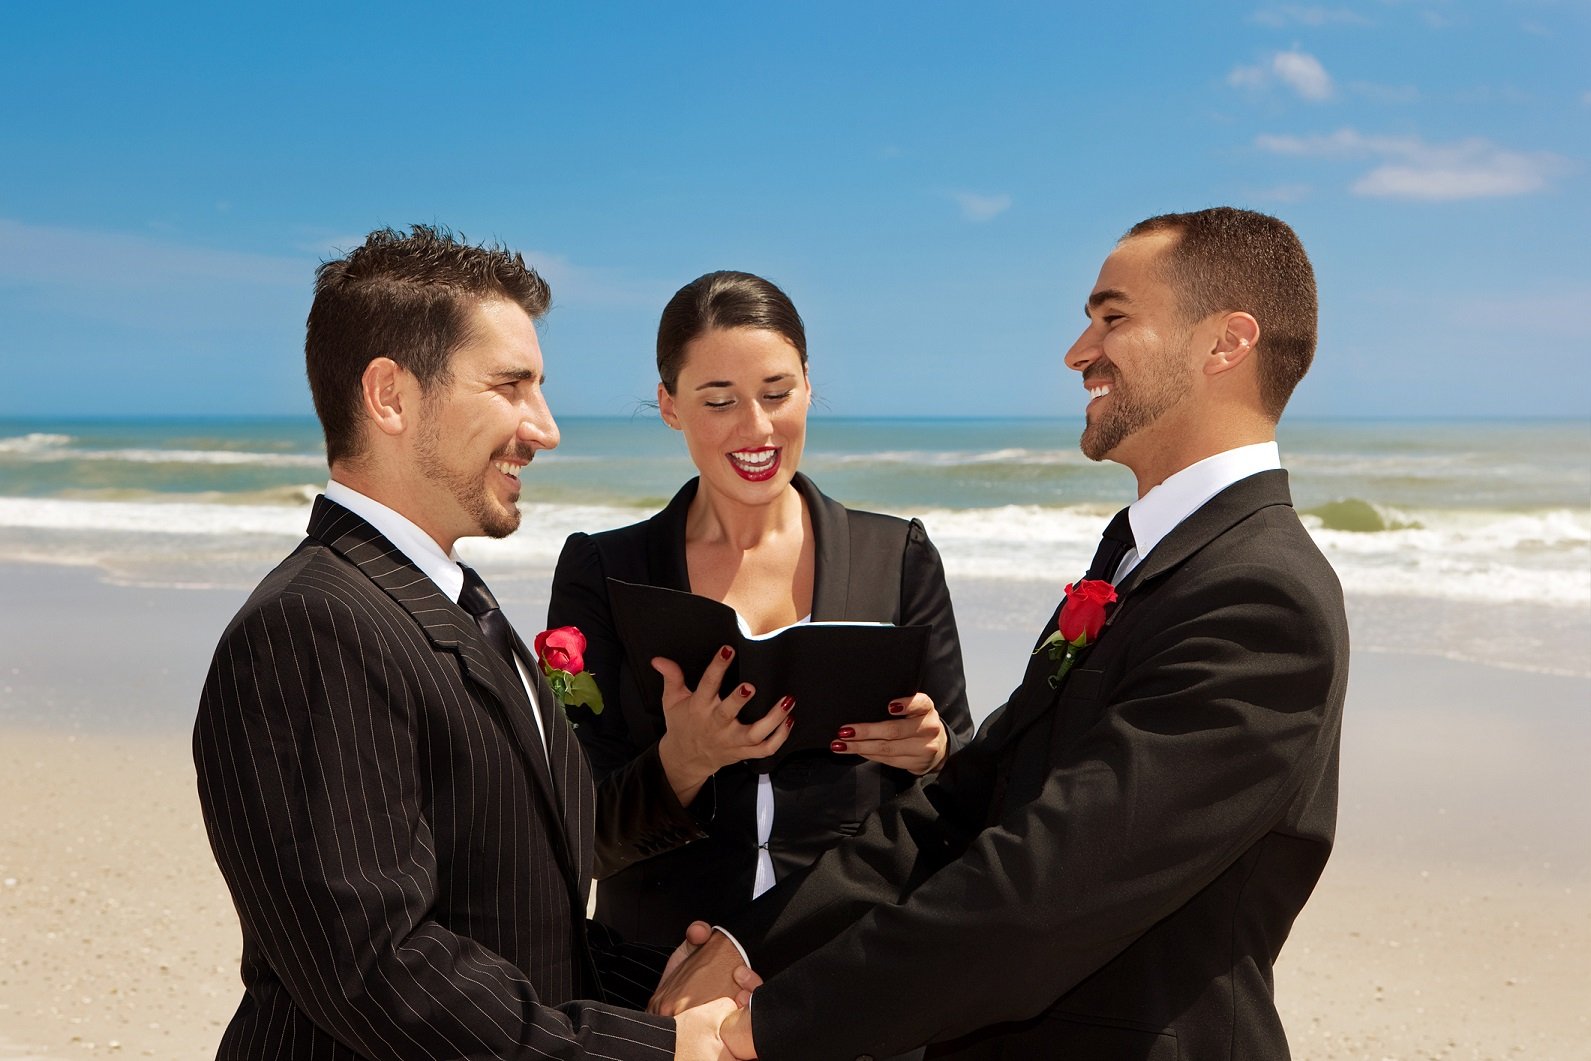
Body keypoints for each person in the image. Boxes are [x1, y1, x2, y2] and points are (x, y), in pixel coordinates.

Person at [653, 207, 1351, 1060]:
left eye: (1112, 316)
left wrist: (763, 1026)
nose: (1077, 350)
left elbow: (1047, 888)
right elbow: (967, 798)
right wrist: (754, 941)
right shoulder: (1138, 558)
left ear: (1224, 343)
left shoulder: (1259, 596)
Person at [193, 225, 747, 1060]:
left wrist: (664, 983)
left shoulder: (457, 602)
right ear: (390, 396)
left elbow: (518, 900)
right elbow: (379, 970)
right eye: (510, 386)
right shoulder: (311, 628)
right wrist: (657, 1049)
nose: (546, 428)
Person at [547, 270, 974, 948]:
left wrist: (934, 752)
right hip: (651, 979)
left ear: (807, 383)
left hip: (842, 969)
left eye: (777, 393)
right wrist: (680, 761)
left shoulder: (897, 554)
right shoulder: (603, 572)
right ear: (668, 405)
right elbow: (574, 833)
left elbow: (964, 790)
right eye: (718, 400)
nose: (756, 427)